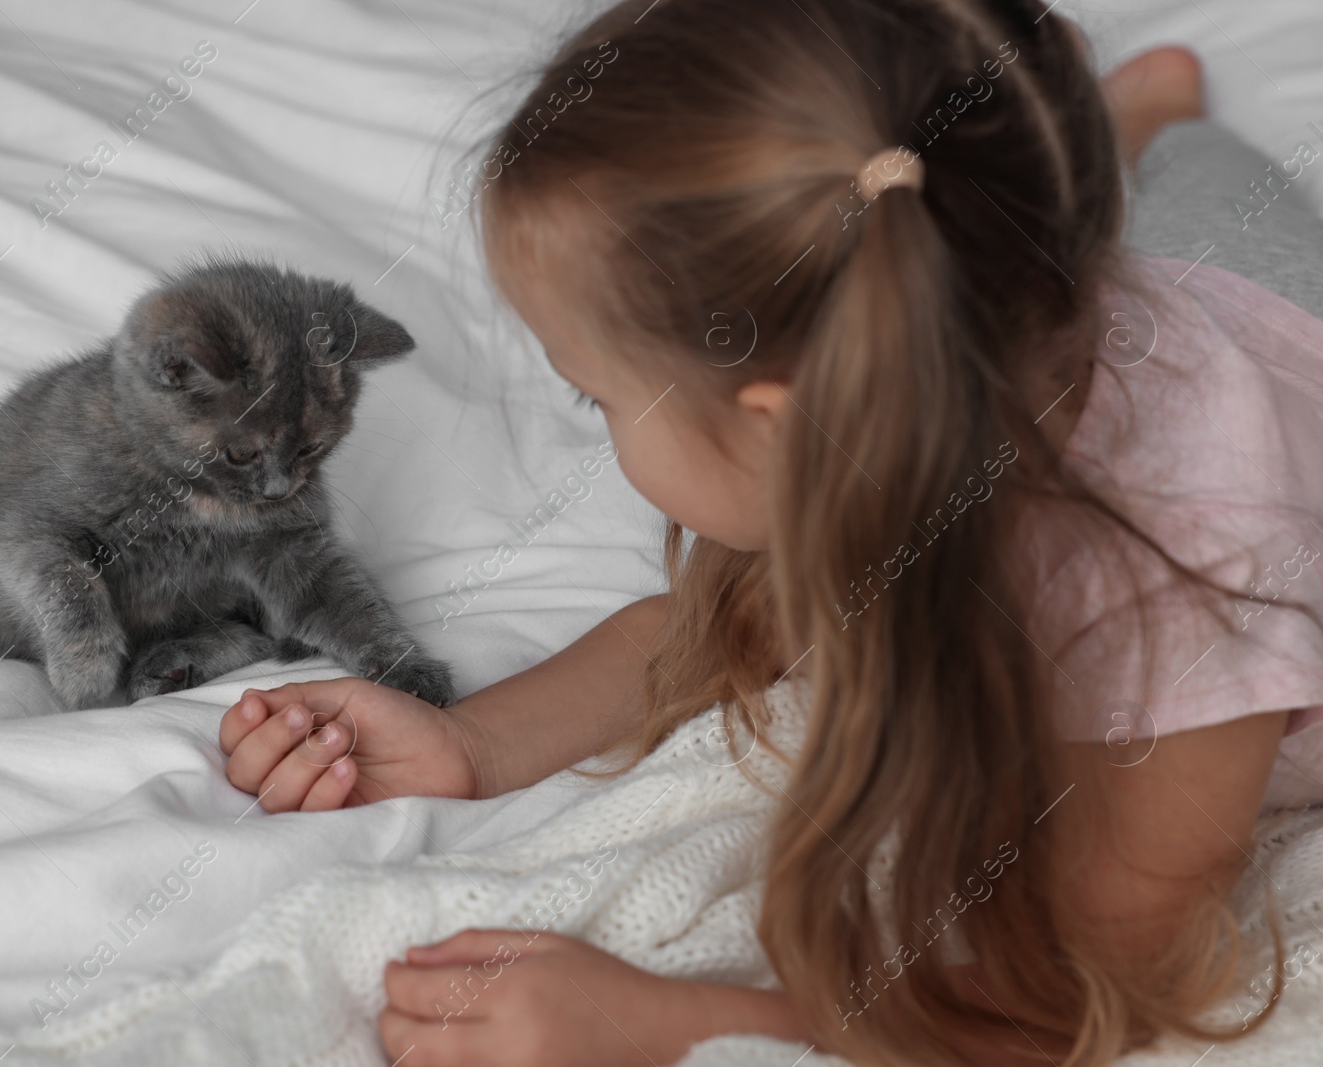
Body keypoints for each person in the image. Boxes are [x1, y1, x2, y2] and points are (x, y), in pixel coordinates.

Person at [219, 1, 1323, 1062]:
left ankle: (1155, 114)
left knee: (1227, 187)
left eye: (593, 396)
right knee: (1150, 202)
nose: (601, 426)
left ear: (782, 425)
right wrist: (468, 746)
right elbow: (710, 631)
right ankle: (1127, 121)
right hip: (1116, 293)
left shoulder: (1192, 601)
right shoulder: (899, 380)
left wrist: (668, 1022)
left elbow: (1070, 1003)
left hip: (1276, 309)